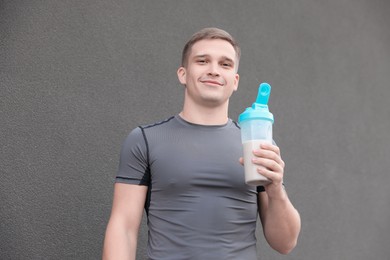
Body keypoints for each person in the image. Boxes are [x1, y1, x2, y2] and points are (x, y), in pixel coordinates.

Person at [102, 27, 301, 260]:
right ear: (182, 74)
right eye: (203, 61)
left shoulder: (255, 143)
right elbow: (123, 228)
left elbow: (285, 243)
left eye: (225, 64)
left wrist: (276, 189)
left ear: (235, 81)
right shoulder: (145, 139)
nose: (214, 70)